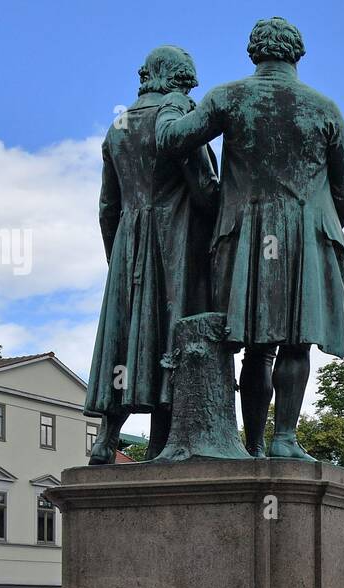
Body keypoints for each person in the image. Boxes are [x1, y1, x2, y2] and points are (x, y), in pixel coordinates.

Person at [158, 17, 344, 460]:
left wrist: (172, 102)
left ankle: (251, 445)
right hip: (309, 236)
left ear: (254, 52)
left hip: (247, 237)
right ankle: (284, 437)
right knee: (297, 341)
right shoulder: (325, 108)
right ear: (297, 54)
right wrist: (313, 228)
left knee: (256, 347)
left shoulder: (227, 96)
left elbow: (172, 140)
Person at [87, 45, 220, 462]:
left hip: (128, 241)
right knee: (170, 332)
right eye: (187, 83)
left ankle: (107, 439)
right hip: (175, 242)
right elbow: (203, 190)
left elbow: (108, 207)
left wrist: (119, 257)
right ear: (178, 80)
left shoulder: (118, 127)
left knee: (124, 339)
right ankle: (161, 445)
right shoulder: (179, 121)